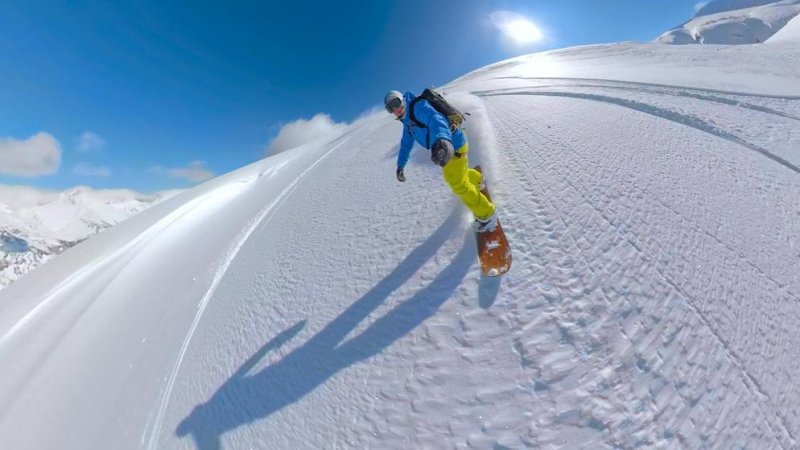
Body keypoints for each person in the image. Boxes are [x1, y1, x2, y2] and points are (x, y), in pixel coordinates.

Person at [384, 89, 497, 232]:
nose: (395, 109)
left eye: (396, 102)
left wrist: (442, 140)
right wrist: (400, 166)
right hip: (446, 148)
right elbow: (405, 145)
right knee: (457, 174)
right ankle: (478, 180)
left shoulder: (418, 107)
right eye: (390, 108)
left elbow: (436, 120)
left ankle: (487, 214)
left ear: (402, 99)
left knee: (457, 183)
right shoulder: (407, 123)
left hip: (452, 145)